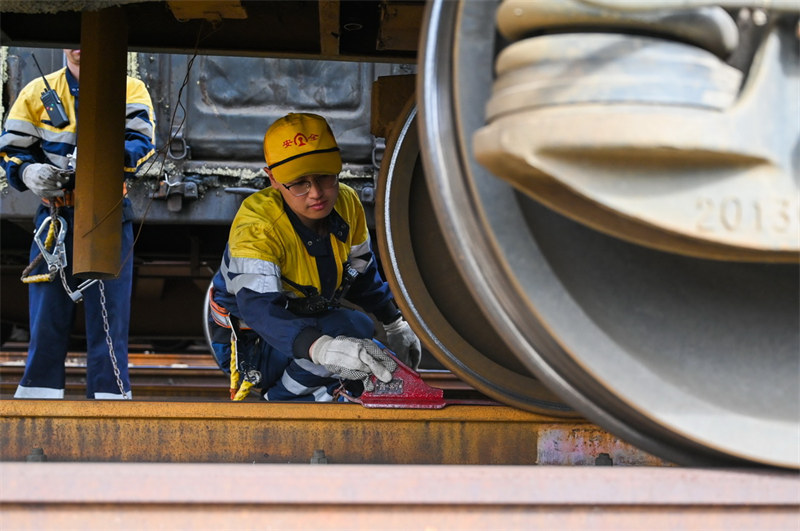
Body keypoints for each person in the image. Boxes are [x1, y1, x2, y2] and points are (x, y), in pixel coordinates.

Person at [207, 112, 421, 401]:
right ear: (272, 179)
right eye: (299, 183)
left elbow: (361, 274)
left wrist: (395, 323)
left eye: (324, 177)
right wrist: (321, 348)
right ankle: (282, 398)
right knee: (350, 331)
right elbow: (260, 310)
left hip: (302, 320)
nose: (316, 193)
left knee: (362, 339)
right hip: (252, 343)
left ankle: (323, 388)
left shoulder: (347, 203)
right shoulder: (257, 226)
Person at [0, 49, 156, 399]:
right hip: (55, 216)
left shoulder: (131, 90)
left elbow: (142, 145)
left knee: (108, 322)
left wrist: (99, 160)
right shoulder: (36, 92)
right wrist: (28, 172)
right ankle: (38, 405)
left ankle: (109, 405)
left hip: (107, 213)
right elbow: (12, 149)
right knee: (46, 321)